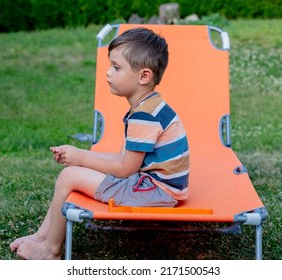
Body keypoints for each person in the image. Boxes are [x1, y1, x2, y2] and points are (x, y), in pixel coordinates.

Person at [10, 27, 190, 260]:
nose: (107, 73)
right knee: (76, 170)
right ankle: (41, 237)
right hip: (156, 185)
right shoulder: (150, 106)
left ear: (144, 76)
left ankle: (50, 251)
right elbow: (123, 159)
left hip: (155, 192)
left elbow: (126, 169)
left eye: (116, 67)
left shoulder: (144, 117)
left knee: (69, 176)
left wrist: (82, 159)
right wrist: (81, 157)